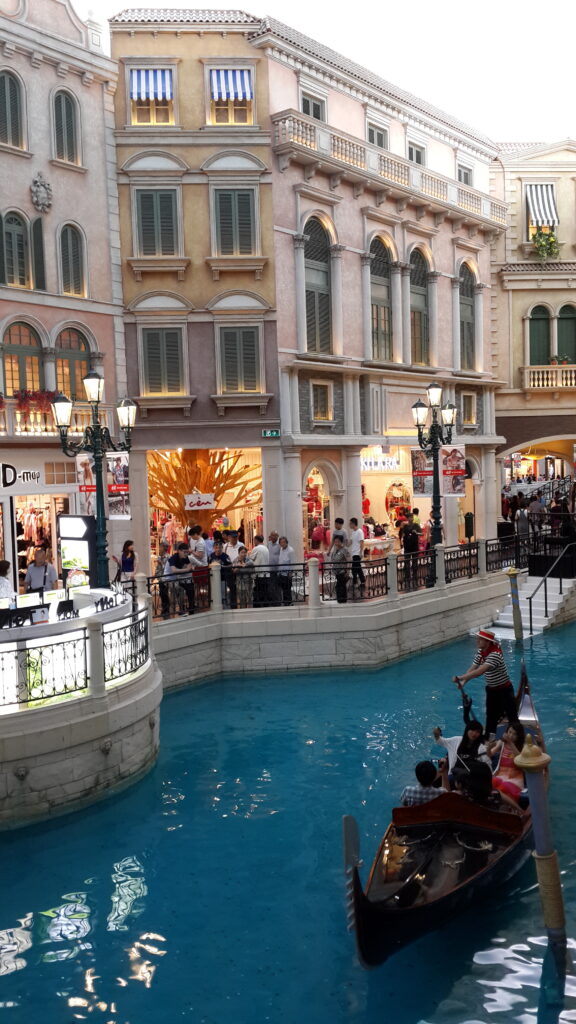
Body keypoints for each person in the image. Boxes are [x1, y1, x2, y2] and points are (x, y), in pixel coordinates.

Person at [453, 628, 518, 739]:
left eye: (480, 639)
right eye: (478, 639)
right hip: (491, 690)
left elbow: (480, 671)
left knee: (512, 716)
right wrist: (464, 682)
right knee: (491, 716)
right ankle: (490, 739)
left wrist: (460, 677)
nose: (477, 641)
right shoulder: (481, 652)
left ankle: (517, 738)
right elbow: (473, 667)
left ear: (487, 642)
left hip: (504, 690)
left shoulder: (495, 655)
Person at [487, 722, 526, 801]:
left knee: (503, 787)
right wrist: (489, 747)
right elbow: (489, 755)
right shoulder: (501, 743)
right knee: (489, 783)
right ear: (506, 732)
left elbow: (520, 759)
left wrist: (511, 743)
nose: (511, 735)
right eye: (510, 732)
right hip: (500, 775)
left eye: (514, 734)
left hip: (515, 779)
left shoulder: (523, 747)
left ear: (519, 736)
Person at [163, 541, 197, 615]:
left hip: (176, 579)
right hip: (168, 579)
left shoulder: (185, 557)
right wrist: (186, 570)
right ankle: (176, 610)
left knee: (188, 588)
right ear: (179, 551)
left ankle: (186, 608)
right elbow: (174, 570)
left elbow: (190, 566)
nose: (186, 554)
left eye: (187, 552)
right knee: (178, 589)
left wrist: (186, 569)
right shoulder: (173, 558)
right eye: (184, 552)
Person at [249, 534, 271, 607]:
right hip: (266, 573)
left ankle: (257, 605)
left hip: (259, 573)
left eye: (254, 540)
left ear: (256, 540)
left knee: (258, 591)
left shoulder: (256, 548)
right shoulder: (266, 548)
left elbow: (250, 559)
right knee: (265, 590)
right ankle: (265, 605)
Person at [209, 540, 232, 606]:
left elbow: (230, 565)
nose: (218, 549)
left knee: (223, 593)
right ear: (214, 548)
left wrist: (223, 566)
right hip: (214, 579)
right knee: (215, 593)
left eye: (219, 548)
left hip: (223, 578)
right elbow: (208, 565)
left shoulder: (225, 556)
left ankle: (225, 605)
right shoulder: (211, 556)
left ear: (222, 548)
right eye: (216, 548)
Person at [154, 541, 171, 619]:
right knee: (162, 594)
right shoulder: (159, 557)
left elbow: (167, 568)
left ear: (164, 548)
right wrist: (154, 576)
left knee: (165, 594)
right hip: (160, 578)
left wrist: (161, 563)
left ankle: (166, 610)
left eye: (160, 547)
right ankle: (164, 610)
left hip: (165, 578)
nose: (159, 549)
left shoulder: (168, 557)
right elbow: (158, 568)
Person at [330, 535, 349, 603]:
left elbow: (348, 560)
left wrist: (348, 571)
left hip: (342, 571)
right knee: (339, 586)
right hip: (336, 571)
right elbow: (333, 559)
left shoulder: (344, 550)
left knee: (341, 586)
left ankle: (342, 600)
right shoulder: (335, 550)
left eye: (338, 542)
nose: (336, 543)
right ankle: (340, 599)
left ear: (341, 542)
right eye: (335, 542)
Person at [348, 517, 366, 590]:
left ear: (353, 524)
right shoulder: (353, 532)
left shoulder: (359, 531)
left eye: (350, 523)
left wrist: (361, 552)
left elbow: (361, 542)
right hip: (354, 552)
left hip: (357, 553)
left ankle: (355, 582)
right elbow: (350, 542)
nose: (349, 525)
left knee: (354, 568)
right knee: (358, 568)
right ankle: (362, 581)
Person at [277, 535, 295, 605]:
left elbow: (292, 562)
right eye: (281, 542)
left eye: (284, 542)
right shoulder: (281, 549)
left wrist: (290, 572)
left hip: (287, 573)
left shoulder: (290, 550)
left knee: (287, 589)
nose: (282, 544)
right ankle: (285, 602)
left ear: (286, 542)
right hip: (281, 572)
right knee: (283, 588)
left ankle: (289, 602)